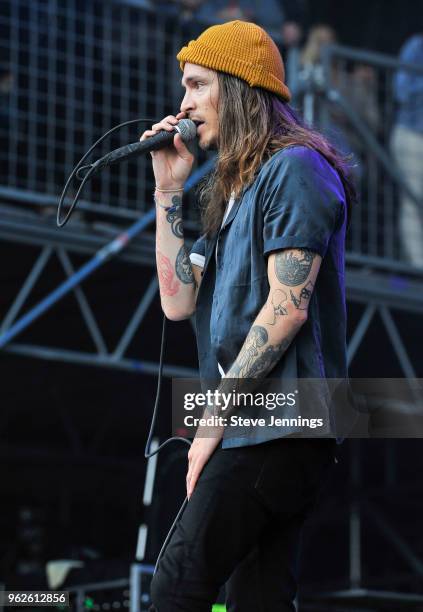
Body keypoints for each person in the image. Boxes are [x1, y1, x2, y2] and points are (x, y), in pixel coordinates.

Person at [140, 19, 355, 612]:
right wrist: (167, 191)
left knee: (179, 583)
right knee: (256, 600)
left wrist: (211, 423)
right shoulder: (234, 193)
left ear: (236, 88)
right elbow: (177, 301)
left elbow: (287, 308)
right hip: (259, 422)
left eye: (196, 85)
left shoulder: (295, 169)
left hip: (279, 420)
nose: (182, 103)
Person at [390, 33, 423, 268]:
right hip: (412, 133)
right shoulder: (417, 46)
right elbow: (400, 89)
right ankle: (417, 266)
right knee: (413, 202)